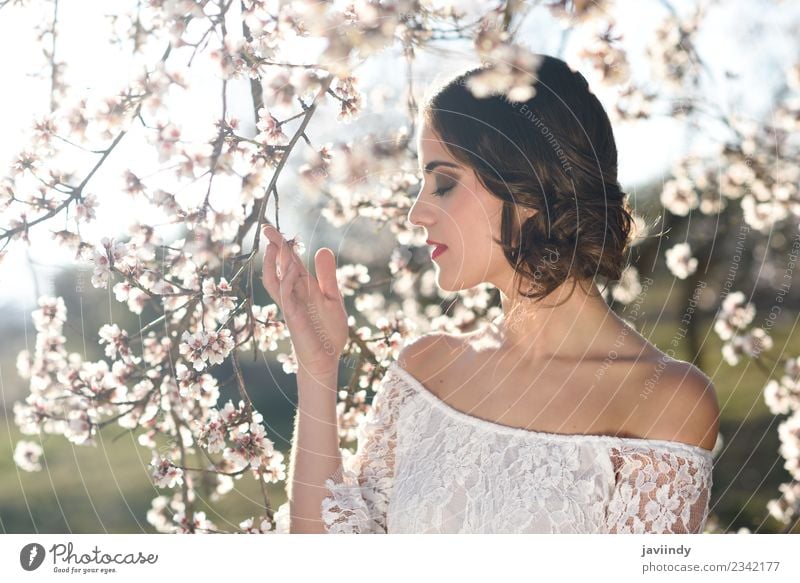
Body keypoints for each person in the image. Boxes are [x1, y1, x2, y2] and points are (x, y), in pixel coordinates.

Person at [260, 54, 721, 534]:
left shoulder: (664, 401)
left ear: (527, 185)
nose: (417, 213)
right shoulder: (424, 370)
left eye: (443, 182)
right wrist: (317, 368)